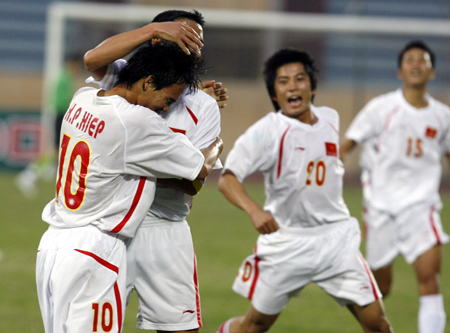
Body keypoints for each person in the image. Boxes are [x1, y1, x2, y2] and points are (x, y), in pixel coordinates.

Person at [35, 41, 223, 333]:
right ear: (148, 82)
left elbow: (95, 60)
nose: (167, 107)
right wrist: (217, 144)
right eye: (170, 99)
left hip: (52, 245)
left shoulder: (81, 99)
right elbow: (198, 169)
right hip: (95, 248)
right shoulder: (137, 122)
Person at [216, 48, 393, 333]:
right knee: (254, 326)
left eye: (300, 78)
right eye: (283, 81)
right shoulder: (267, 132)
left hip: (336, 240)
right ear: (274, 95)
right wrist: (255, 210)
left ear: (312, 86)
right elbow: (228, 178)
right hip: (287, 242)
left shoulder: (330, 118)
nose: (293, 86)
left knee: (378, 325)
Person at [84, 10, 226, 332]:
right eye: (183, 36)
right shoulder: (126, 75)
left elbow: (194, 184)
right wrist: (154, 27)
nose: (190, 47)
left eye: (197, 43)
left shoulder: (203, 105)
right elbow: (93, 59)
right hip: (109, 225)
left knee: (181, 329)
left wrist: (124, 164)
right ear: (157, 38)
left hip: (164, 227)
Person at [341, 40, 449, 333]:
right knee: (380, 287)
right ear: (400, 71)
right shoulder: (381, 108)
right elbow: (346, 145)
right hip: (381, 207)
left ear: (432, 72)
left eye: (422, 60)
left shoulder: (443, 116)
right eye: (409, 60)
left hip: (421, 206)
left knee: (429, 279)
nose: (416, 64)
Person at [15, 55, 83, 198]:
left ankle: (41, 173)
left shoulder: (63, 77)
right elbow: (62, 101)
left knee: (57, 150)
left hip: (60, 116)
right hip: (61, 116)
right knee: (55, 150)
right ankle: (28, 175)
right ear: (72, 63)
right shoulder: (65, 79)